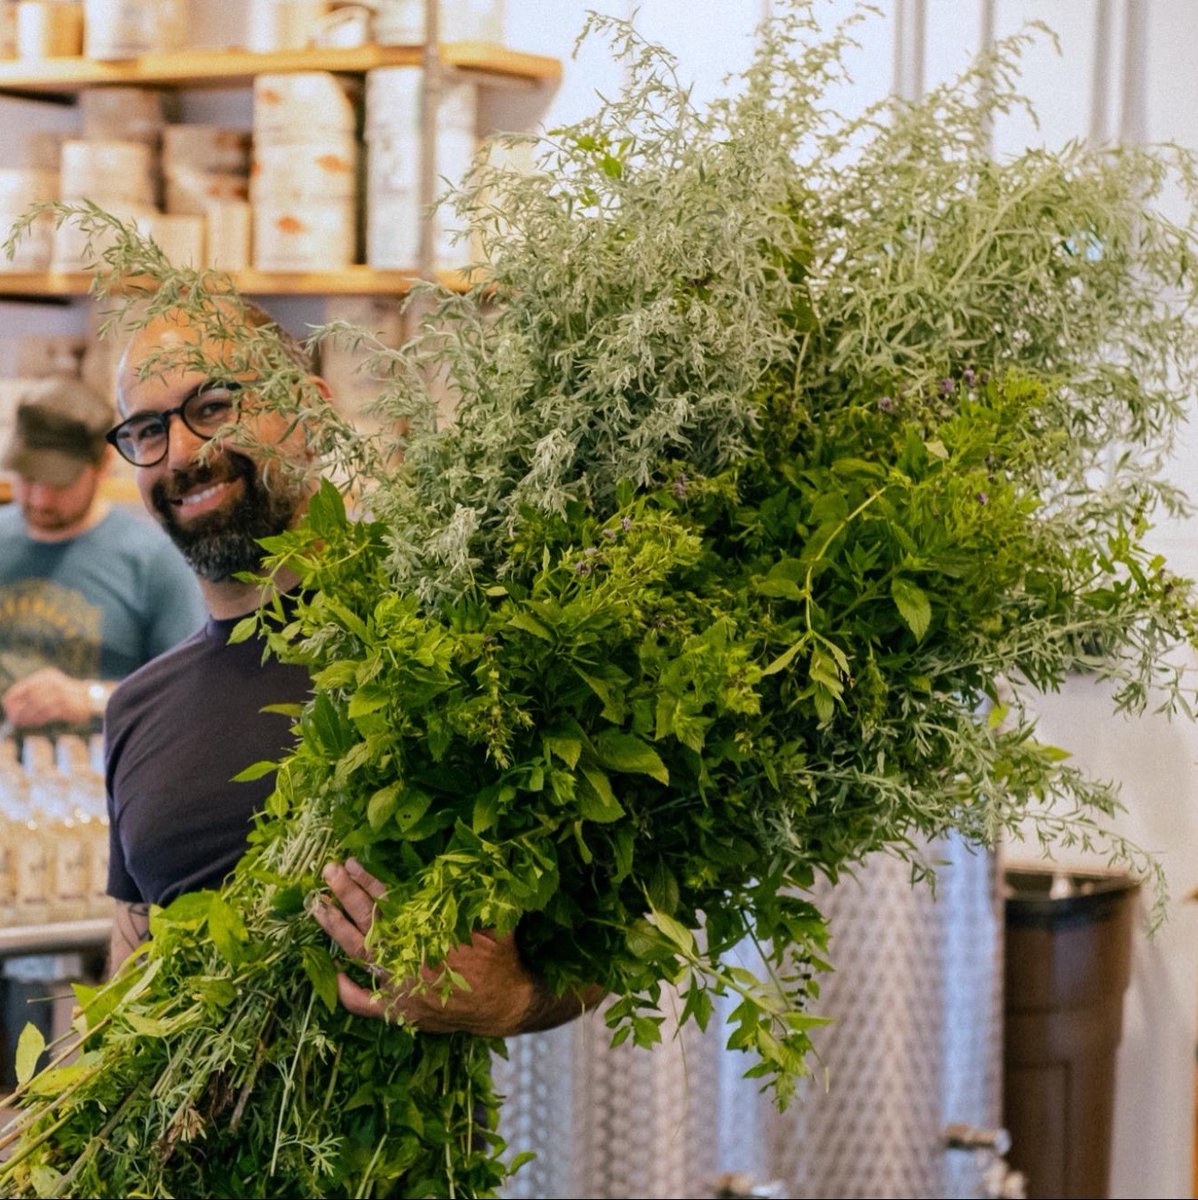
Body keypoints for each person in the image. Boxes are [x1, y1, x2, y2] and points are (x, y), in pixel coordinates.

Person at [105, 299, 597, 1037]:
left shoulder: (435, 646)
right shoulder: (137, 708)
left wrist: (508, 999)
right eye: (147, 429)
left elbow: (609, 941)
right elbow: (133, 957)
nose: (180, 453)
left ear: (311, 409)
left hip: (390, 1152)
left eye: (212, 405)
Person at [0, 375, 207, 733]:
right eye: (29, 478)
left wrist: (89, 698)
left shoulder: (155, 562)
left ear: (103, 465)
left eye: (60, 482)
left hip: (99, 775)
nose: (40, 499)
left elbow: (191, 693)